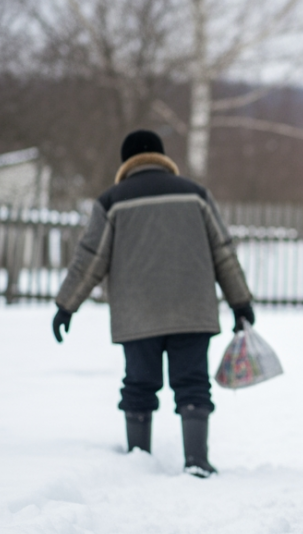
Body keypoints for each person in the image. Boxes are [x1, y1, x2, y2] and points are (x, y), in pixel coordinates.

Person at [51, 130, 254, 478]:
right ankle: (196, 461)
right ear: (162, 158)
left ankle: (138, 460)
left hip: (137, 314)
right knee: (192, 384)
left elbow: (90, 259)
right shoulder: (196, 195)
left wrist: (66, 305)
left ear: (126, 162)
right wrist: (240, 302)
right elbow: (223, 251)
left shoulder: (112, 200)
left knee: (140, 384)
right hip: (193, 312)